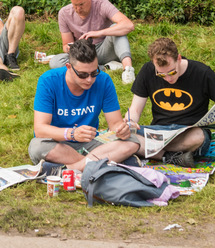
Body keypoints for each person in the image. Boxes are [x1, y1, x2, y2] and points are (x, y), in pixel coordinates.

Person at [29, 39, 143, 172]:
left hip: (90, 142)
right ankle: (103, 163)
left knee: (133, 141)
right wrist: (72, 134)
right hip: (58, 142)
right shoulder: (48, 81)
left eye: (94, 73)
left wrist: (123, 129)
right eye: (83, 75)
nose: (89, 80)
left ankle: (74, 167)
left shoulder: (104, 81)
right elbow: (40, 129)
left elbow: (114, 125)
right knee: (37, 146)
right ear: (69, 67)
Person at [125, 37, 215, 167]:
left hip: (189, 132)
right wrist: (130, 121)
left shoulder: (202, 72)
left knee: (198, 137)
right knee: (123, 132)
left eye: (172, 72)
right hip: (158, 131)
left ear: (179, 58)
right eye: (161, 75)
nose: (168, 78)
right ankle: (169, 157)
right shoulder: (147, 70)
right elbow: (134, 110)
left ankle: (146, 149)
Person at [48, 0, 136, 85]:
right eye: (75, 5)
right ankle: (107, 67)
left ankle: (128, 70)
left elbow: (129, 25)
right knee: (55, 62)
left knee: (116, 29)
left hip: (105, 48)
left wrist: (98, 33)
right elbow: (65, 44)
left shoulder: (102, 4)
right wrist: (72, 47)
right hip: (83, 54)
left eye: (81, 4)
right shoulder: (64, 13)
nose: (78, 9)